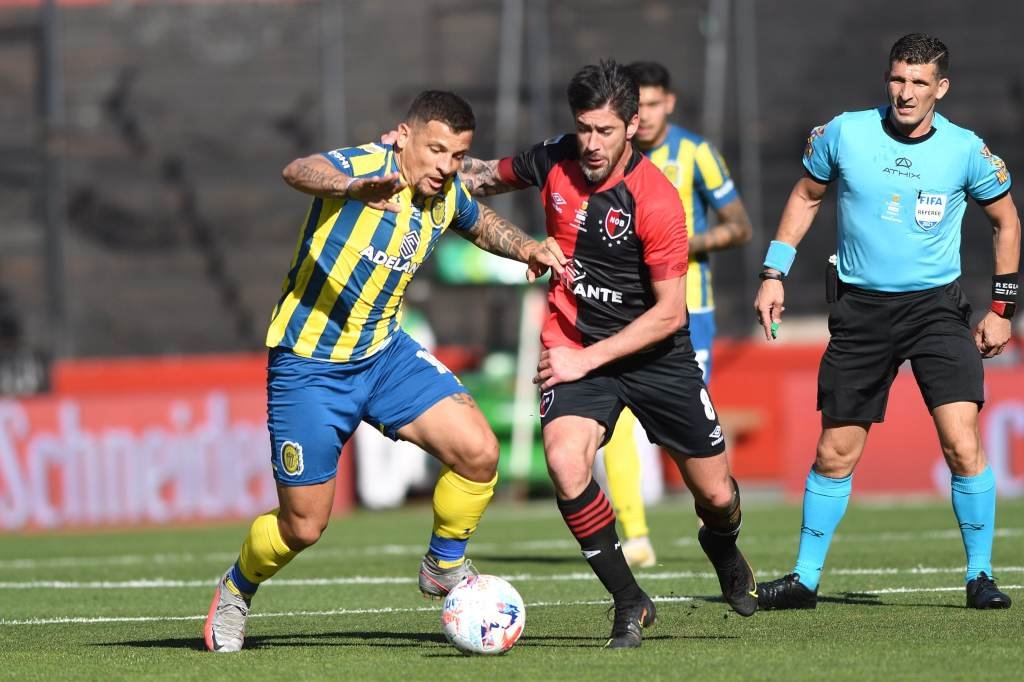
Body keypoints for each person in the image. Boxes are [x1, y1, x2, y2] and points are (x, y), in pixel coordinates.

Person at [203, 90, 565, 653]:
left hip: (384, 357)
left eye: (457, 154)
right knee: (303, 526)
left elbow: (476, 218)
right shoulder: (362, 168)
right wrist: (351, 190)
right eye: (435, 150)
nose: (445, 166)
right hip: (310, 368)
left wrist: (527, 249)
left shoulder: (443, 193)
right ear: (403, 136)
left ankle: (444, 566)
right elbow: (299, 169)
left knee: (479, 451)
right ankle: (237, 588)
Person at [459, 60, 758, 649]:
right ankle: (629, 601)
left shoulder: (657, 201)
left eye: (605, 131)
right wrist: (413, 162)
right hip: (571, 342)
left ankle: (722, 548)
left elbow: (670, 314)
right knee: (567, 463)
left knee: (718, 497)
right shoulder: (554, 156)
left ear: (633, 124)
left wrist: (585, 362)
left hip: (655, 354)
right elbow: (482, 177)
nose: (592, 144)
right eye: (584, 129)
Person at [754, 34, 1019, 610]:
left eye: (920, 82)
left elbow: (1006, 222)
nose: (906, 92)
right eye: (898, 79)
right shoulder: (844, 132)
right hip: (861, 312)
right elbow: (804, 195)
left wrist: (1003, 310)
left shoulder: (966, 149)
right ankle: (803, 580)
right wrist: (774, 273)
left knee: (961, 442)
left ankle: (980, 577)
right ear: (887, 79)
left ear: (940, 89)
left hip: (936, 312)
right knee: (834, 454)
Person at [597, 61, 753, 569]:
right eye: (636, 105)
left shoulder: (696, 153)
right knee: (613, 420)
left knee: (684, 425)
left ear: (671, 103)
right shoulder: (603, 157)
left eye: (655, 102)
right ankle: (635, 532)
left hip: (688, 309)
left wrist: (682, 243)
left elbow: (740, 227)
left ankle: (715, 521)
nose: (645, 114)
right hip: (617, 307)